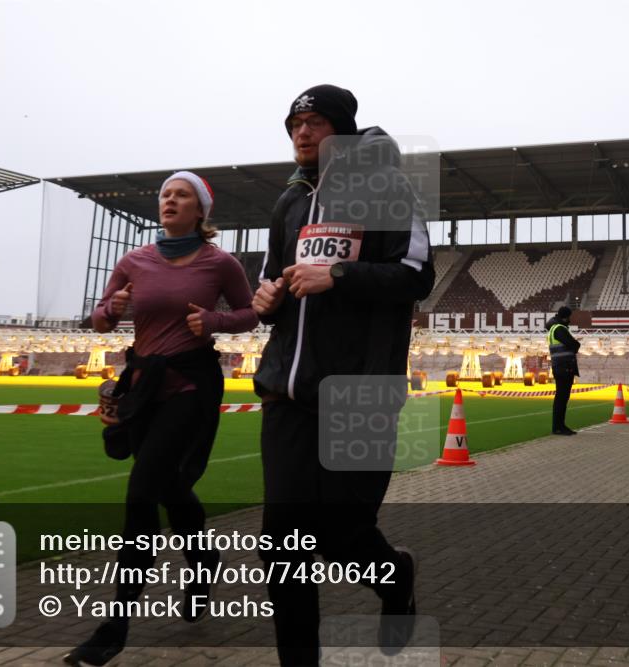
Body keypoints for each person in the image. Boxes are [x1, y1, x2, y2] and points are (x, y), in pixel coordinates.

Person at [251, 84, 434, 666]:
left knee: (340, 534)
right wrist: (267, 297)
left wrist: (340, 275)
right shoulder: (288, 203)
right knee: (282, 545)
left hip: (360, 391)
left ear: (343, 130)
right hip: (287, 391)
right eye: (294, 124)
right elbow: (271, 277)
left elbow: (415, 273)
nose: (302, 132)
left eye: (315, 121)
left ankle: (394, 578)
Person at [64, 171, 258, 666]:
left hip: (192, 384)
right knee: (170, 485)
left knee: (142, 490)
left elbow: (250, 313)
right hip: (144, 383)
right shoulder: (133, 261)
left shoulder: (222, 263)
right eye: (165, 195)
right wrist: (111, 307)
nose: (170, 201)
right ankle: (203, 559)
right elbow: (100, 317)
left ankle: (115, 625)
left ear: (201, 211)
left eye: (181, 195)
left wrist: (213, 322)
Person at [546, 306, 581, 435]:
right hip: (564, 367)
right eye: (569, 317)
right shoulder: (560, 329)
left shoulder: (553, 329)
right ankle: (559, 427)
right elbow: (574, 345)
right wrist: (576, 344)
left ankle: (558, 426)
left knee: (560, 398)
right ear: (566, 317)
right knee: (562, 398)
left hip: (559, 366)